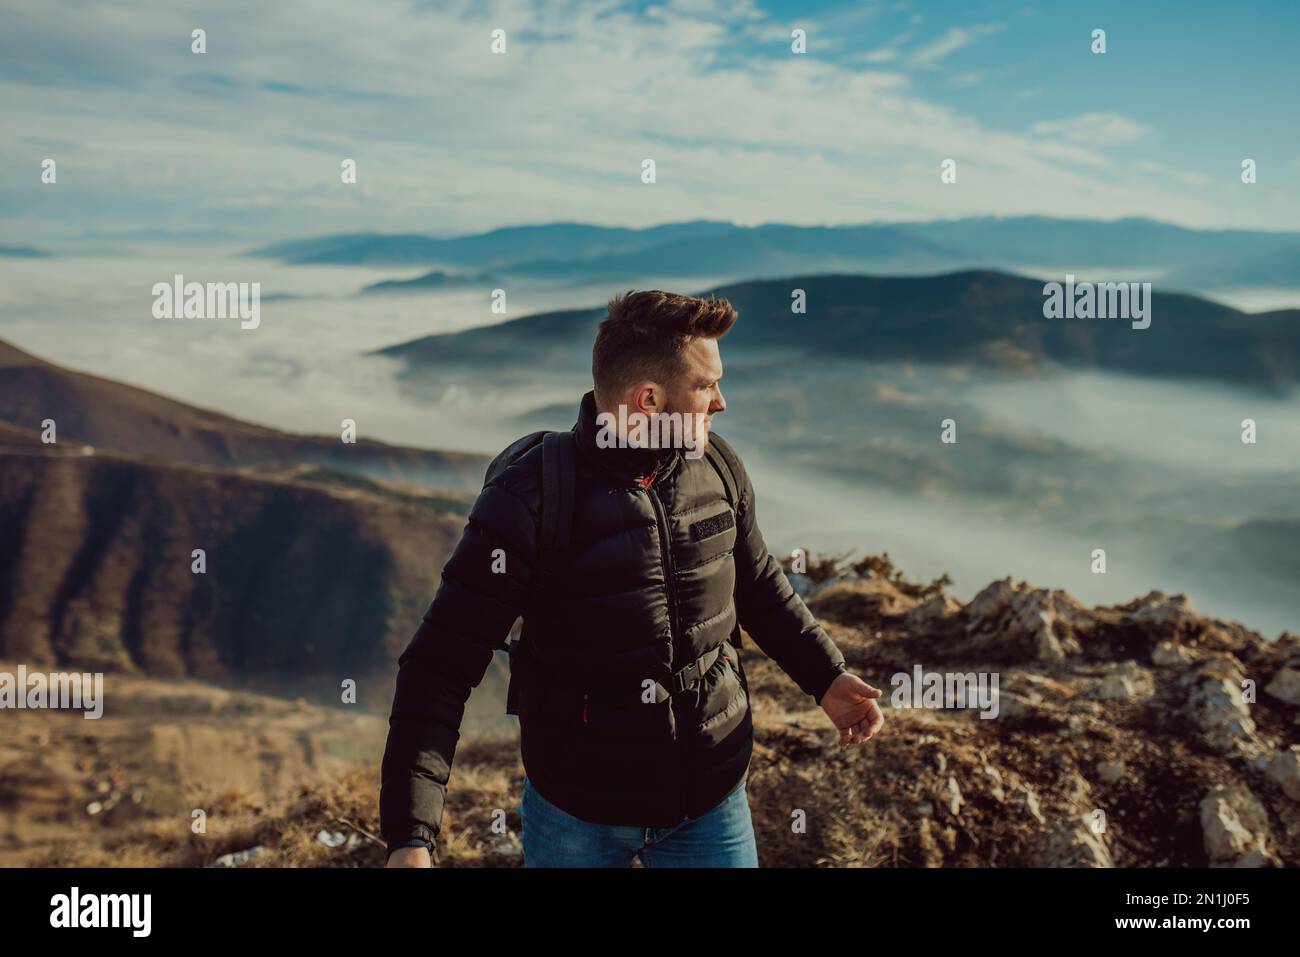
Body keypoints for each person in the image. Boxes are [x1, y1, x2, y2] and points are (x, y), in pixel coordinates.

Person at [380, 289, 884, 867]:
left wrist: (827, 676)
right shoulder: (531, 499)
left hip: (712, 800)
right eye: (706, 385)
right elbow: (440, 664)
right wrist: (411, 835)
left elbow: (757, 584)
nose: (721, 402)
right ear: (649, 399)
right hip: (578, 812)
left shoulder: (717, 467)